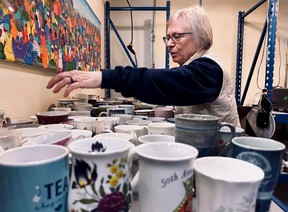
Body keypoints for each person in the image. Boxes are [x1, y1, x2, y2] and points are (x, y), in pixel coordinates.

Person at [46, 5, 240, 127]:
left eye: (177, 36)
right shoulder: (194, 68)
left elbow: (166, 82)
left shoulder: (208, 70)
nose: (170, 43)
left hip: (222, 160)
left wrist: (105, 78)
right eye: (168, 37)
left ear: (199, 36)